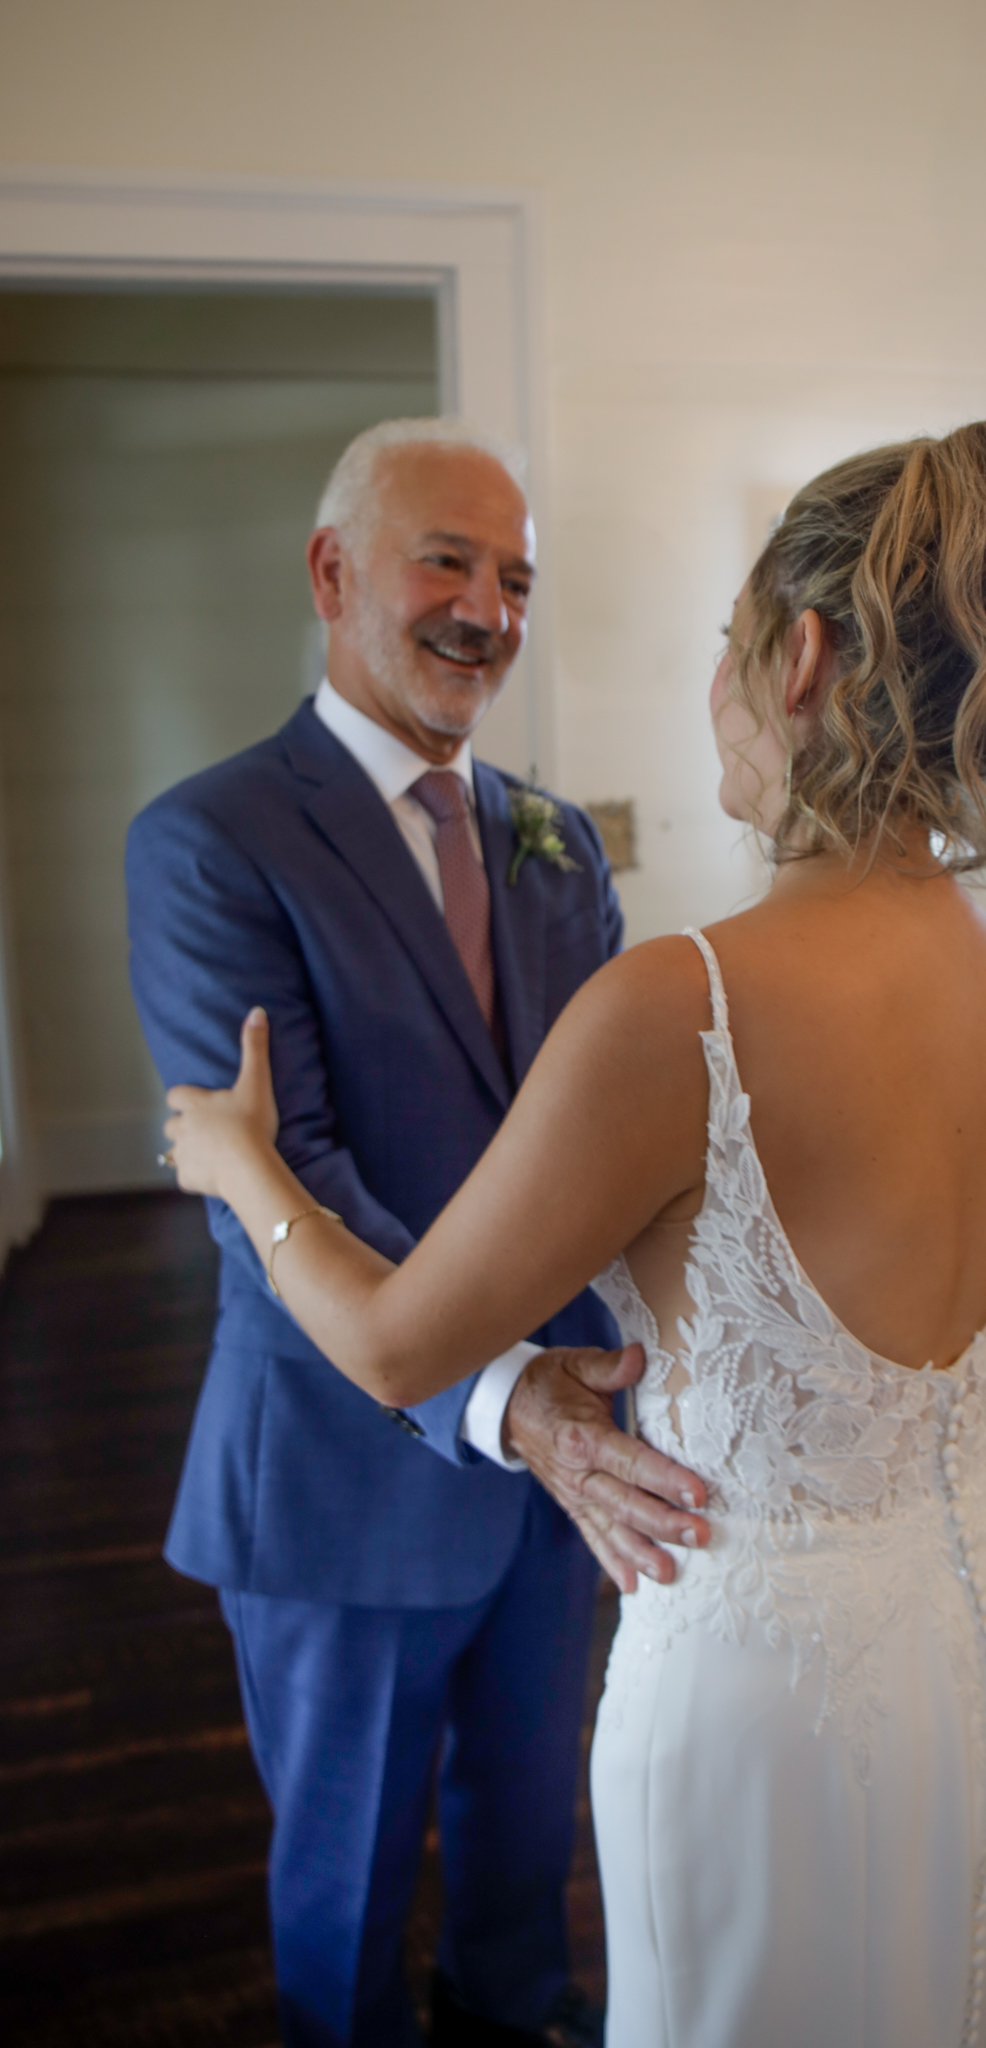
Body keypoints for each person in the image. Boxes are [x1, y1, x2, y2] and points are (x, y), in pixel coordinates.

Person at [159, 418, 986, 2048]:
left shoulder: (682, 995)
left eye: (730, 641)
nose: (490, 608)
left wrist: (238, 1167)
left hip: (757, 1656)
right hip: (977, 1615)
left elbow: (396, 1336)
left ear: (798, 659)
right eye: (447, 562)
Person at [126, 419, 709, 2048]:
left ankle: (514, 2015)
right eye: (445, 561)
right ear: (331, 574)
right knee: (347, 1882)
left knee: (529, 1841)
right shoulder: (210, 840)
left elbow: (595, 1136)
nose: (487, 610)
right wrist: (508, 1394)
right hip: (345, 1471)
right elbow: (280, 1180)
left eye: (515, 577)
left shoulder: (553, 837)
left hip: (559, 1474)